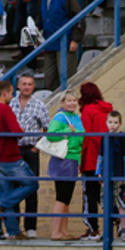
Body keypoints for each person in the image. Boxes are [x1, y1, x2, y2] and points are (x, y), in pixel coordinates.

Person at [0, 80, 39, 239]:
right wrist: (21, 130)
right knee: (32, 183)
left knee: (4, 192)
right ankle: (3, 205)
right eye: (11, 93)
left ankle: (5, 232)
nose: (12, 96)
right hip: (10, 157)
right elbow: (16, 132)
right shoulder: (6, 110)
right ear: (5, 93)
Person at [45, 91, 83, 241]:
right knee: (62, 196)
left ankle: (64, 231)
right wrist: (68, 130)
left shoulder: (75, 116)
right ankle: (56, 232)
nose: (72, 103)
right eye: (69, 101)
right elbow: (51, 134)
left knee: (67, 197)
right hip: (63, 160)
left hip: (73, 159)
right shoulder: (60, 116)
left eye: (74, 100)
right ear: (62, 103)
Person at [78, 81, 111, 241]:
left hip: (91, 158)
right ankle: (115, 219)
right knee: (103, 194)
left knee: (90, 195)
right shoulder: (106, 109)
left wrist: (80, 159)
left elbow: (84, 136)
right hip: (105, 157)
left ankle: (93, 228)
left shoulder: (88, 110)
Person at [40, 0, 83, 90]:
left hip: (65, 42)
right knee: (49, 78)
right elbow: (40, 16)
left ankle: (68, 102)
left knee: (66, 78)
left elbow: (79, 17)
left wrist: (75, 39)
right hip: (49, 41)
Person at [103, 109, 125, 240]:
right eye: (110, 122)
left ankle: (124, 229)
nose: (112, 125)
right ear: (106, 123)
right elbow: (101, 156)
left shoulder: (122, 138)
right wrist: (100, 173)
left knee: (121, 203)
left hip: (119, 175)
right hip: (107, 175)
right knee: (106, 203)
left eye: (115, 122)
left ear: (120, 124)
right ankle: (107, 231)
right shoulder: (104, 137)